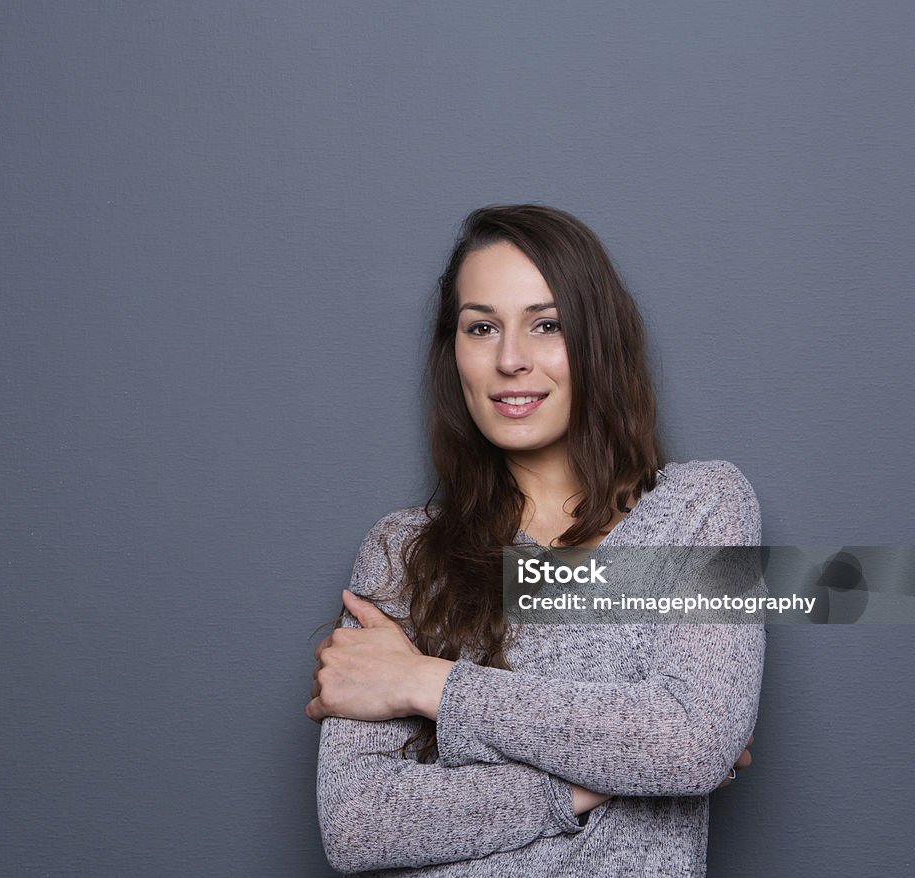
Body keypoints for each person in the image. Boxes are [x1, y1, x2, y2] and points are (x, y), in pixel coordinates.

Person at [306, 204, 763, 876]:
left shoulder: (703, 509)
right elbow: (358, 825)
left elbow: (690, 744)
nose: (511, 360)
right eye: (481, 327)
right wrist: (595, 780)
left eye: (546, 325)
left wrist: (425, 683)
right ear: (452, 352)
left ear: (597, 341)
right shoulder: (403, 553)